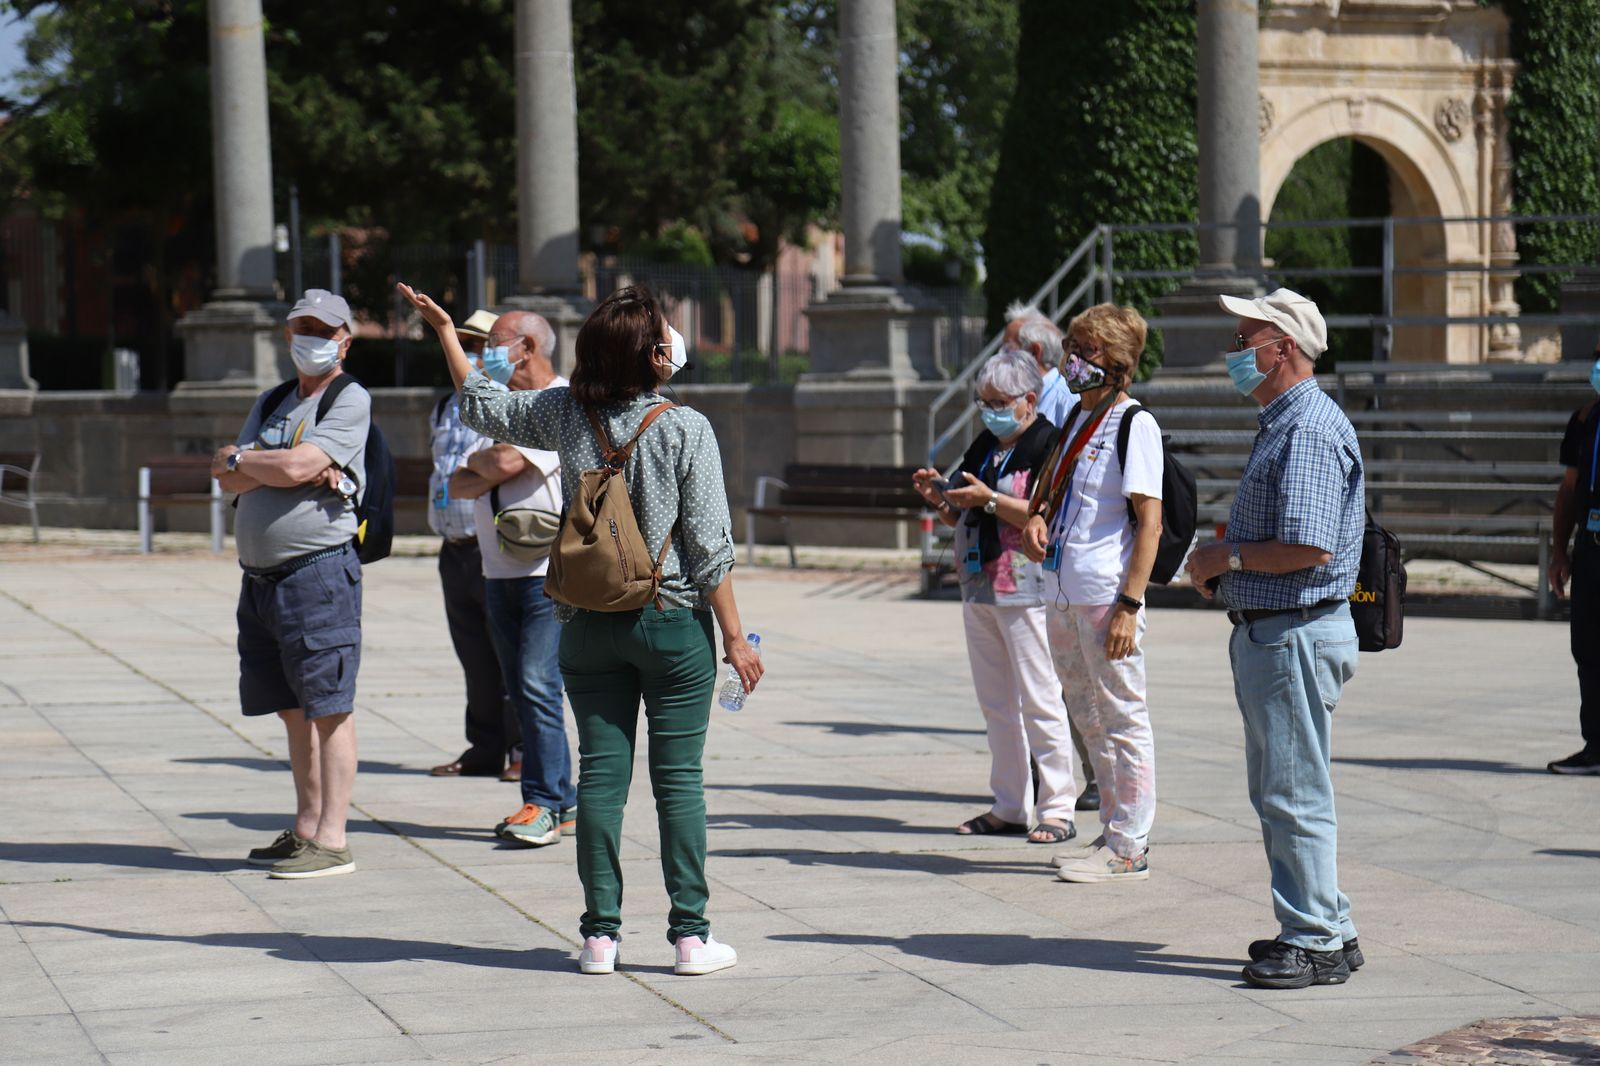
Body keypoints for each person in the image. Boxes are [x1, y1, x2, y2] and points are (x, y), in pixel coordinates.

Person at [398, 280, 763, 978]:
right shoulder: (686, 429)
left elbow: (481, 404)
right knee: (678, 780)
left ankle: (600, 937)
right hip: (671, 623)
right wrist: (738, 639)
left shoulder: (566, 414)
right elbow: (712, 549)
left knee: (600, 779)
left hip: (588, 624)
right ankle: (690, 937)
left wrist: (448, 331)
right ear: (656, 355)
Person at [1183, 287, 1366, 989]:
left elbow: (1309, 546)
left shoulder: (1308, 428)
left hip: (1292, 635)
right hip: (1281, 633)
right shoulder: (1288, 420)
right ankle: (1329, 924)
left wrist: (1224, 558)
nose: (1236, 355)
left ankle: (1313, 939)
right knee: (1287, 788)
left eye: (1245, 341)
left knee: (1292, 793)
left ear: (1282, 347)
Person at [212, 289, 369, 880]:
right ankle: (306, 826)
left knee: (328, 707)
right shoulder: (274, 398)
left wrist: (254, 462)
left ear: (344, 340)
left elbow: (299, 467)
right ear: (287, 335)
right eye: (303, 327)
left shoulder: (349, 397)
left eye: (325, 330)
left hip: (316, 574)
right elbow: (224, 467)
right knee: (291, 709)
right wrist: (248, 462)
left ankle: (333, 841)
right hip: (260, 580)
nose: (312, 338)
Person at [913, 349, 1080, 845]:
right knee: (997, 704)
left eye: (999, 401)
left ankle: (1058, 806)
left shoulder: (1049, 443)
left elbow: (1041, 511)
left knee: (1041, 698)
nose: (989, 410)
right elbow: (962, 511)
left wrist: (986, 499)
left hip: (1025, 585)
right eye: (982, 401)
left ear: (1029, 400)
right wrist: (942, 497)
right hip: (980, 584)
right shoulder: (988, 442)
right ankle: (1010, 804)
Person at [1021, 303, 1162, 885]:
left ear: (1116, 361)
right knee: (1087, 713)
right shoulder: (1079, 419)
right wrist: (1037, 517)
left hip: (1106, 593)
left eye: (1085, 350)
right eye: (1072, 348)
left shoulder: (1136, 424)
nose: (1071, 360)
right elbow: (1057, 495)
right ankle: (1112, 827)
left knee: (1123, 714)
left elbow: (1148, 524)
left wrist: (1130, 604)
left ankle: (1131, 844)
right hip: (1062, 589)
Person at [445, 310, 577, 846]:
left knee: (537, 683)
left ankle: (543, 801)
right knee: (522, 688)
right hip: (498, 567)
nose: (483, 356)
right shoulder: (505, 404)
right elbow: (457, 482)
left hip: (549, 571)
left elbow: (497, 463)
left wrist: (487, 464)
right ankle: (562, 801)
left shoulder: (562, 400)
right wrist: (488, 465)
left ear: (525, 347)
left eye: (493, 344)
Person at [1002, 302, 1102, 814]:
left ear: (1034, 352)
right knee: (1059, 677)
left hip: (1072, 563)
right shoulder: (1041, 397)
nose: (1002, 353)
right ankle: (1069, 776)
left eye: (1009, 345)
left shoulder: (1064, 402)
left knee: (1073, 680)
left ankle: (1095, 778)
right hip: (1049, 556)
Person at [428, 308, 519, 780]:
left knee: (511, 653)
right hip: (454, 544)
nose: (472, 353)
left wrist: (474, 475)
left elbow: (500, 466)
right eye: (465, 343)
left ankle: (523, 749)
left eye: (482, 344)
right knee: (473, 655)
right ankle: (484, 747)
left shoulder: (508, 401)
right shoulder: (446, 403)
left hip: (495, 544)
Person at [1546, 339, 1600, 775]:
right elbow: (1568, 490)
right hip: (1591, 549)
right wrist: (1559, 551)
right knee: (1587, 648)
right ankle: (1595, 746)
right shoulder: (1585, 420)